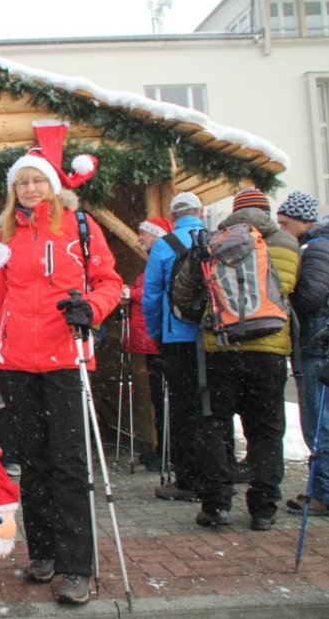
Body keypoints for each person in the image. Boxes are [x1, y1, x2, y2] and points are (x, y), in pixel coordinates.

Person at [0, 125, 122, 606]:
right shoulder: (5, 234)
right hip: (18, 364)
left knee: (68, 464)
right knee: (33, 464)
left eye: (37, 180)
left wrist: (92, 308)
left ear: (53, 184)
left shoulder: (81, 228)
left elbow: (108, 281)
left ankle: (75, 565)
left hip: (65, 360)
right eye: (22, 181)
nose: (30, 188)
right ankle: (42, 552)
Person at [192, 188, 298, 530]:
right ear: (267, 209)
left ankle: (216, 505)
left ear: (234, 212)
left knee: (215, 426)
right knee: (266, 429)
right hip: (269, 348)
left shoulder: (214, 241)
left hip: (221, 346)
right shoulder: (286, 243)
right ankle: (263, 508)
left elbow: (185, 293)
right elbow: (297, 291)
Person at [142, 191, 209, 503]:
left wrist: (157, 334)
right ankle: (217, 476)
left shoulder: (164, 245)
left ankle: (187, 479)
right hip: (213, 337)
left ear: (173, 216)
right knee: (212, 409)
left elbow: (151, 296)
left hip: (177, 337)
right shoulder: (216, 239)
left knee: (183, 409)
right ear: (201, 212)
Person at [277, 191, 329, 517]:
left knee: (321, 423)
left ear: (305, 221)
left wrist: (286, 298)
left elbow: (310, 298)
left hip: (319, 347)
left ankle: (327, 494)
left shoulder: (317, 248)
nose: (282, 229)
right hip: (328, 345)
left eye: (286, 223)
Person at [125, 218, 171, 471]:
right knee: (159, 397)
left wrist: (130, 294)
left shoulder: (162, 257)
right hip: (153, 340)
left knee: (164, 398)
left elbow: (155, 291)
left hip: (158, 340)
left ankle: (168, 450)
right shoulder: (155, 259)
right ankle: (163, 449)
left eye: (144, 233)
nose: (140, 238)